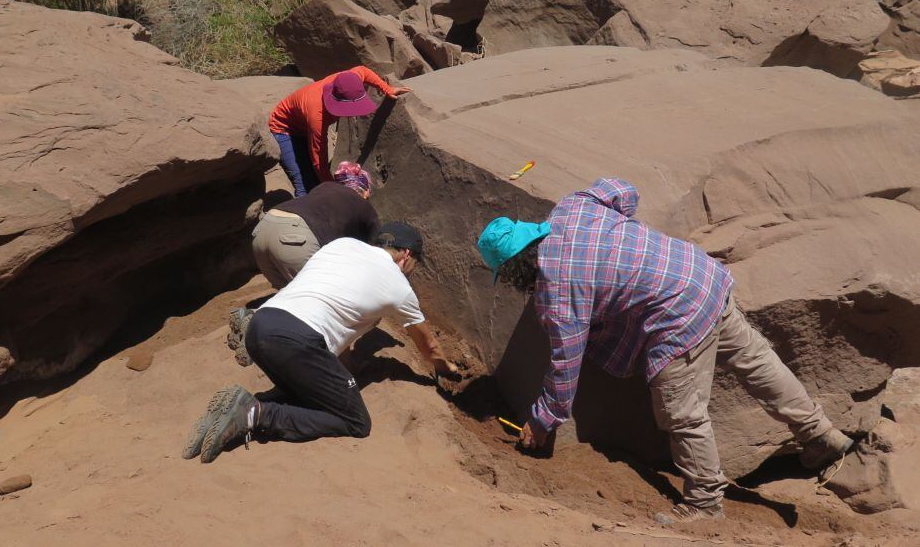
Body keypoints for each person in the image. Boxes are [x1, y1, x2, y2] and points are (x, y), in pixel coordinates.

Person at [476, 178, 854, 525]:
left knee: (681, 412)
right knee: (757, 363)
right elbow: (622, 190)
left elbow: (565, 365)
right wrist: (623, 241)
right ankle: (819, 434)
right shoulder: (572, 208)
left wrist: (542, 422)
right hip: (701, 275)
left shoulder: (558, 291)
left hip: (675, 317)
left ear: (514, 267)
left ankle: (705, 503)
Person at [184, 222, 458, 463]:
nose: (411, 272)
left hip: (260, 326)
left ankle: (238, 405)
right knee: (355, 421)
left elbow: (332, 300)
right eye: (414, 265)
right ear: (406, 255)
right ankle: (255, 413)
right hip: (297, 340)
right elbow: (429, 346)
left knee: (309, 391)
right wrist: (447, 369)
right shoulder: (399, 287)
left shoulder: (343, 245)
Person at [267, 66, 411, 197]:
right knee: (305, 184)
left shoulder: (349, 79)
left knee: (317, 180)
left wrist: (387, 89)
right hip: (284, 130)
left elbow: (364, 71)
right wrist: (336, 191)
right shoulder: (317, 115)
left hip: (304, 126)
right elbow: (319, 161)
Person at [251, 161, 378, 290]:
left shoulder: (324, 188)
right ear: (366, 190)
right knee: (322, 296)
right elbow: (377, 254)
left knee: (290, 297)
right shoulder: (363, 205)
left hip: (263, 229)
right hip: (293, 237)